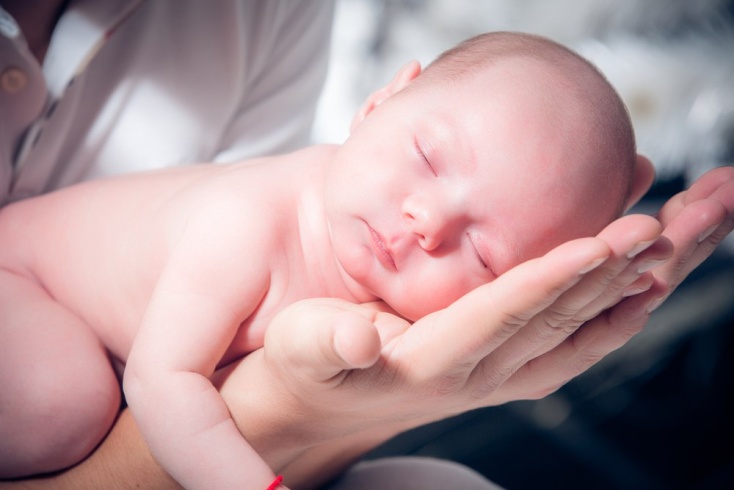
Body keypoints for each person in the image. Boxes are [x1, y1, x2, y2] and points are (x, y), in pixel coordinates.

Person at [0, 31, 669, 489]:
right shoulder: (249, 221)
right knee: (67, 404)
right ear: (379, 102)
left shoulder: (382, 284)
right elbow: (162, 382)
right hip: (23, 282)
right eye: (429, 158)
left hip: (118, 356)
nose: (427, 222)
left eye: (484, 255)